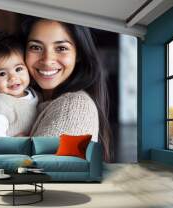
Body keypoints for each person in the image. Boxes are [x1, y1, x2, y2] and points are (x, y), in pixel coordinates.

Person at [21, 17, 111, 161]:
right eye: (36, 47)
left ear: (79, 54)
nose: (47, 60)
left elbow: (38, 175)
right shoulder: (29, 101)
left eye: (61, 48)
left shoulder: (74, 106)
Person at [0, 32, 38, 137]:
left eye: (18, 69)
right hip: (10, 152)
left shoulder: (35, 95)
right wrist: (13, 145)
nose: (12, 78)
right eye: (2, 74)